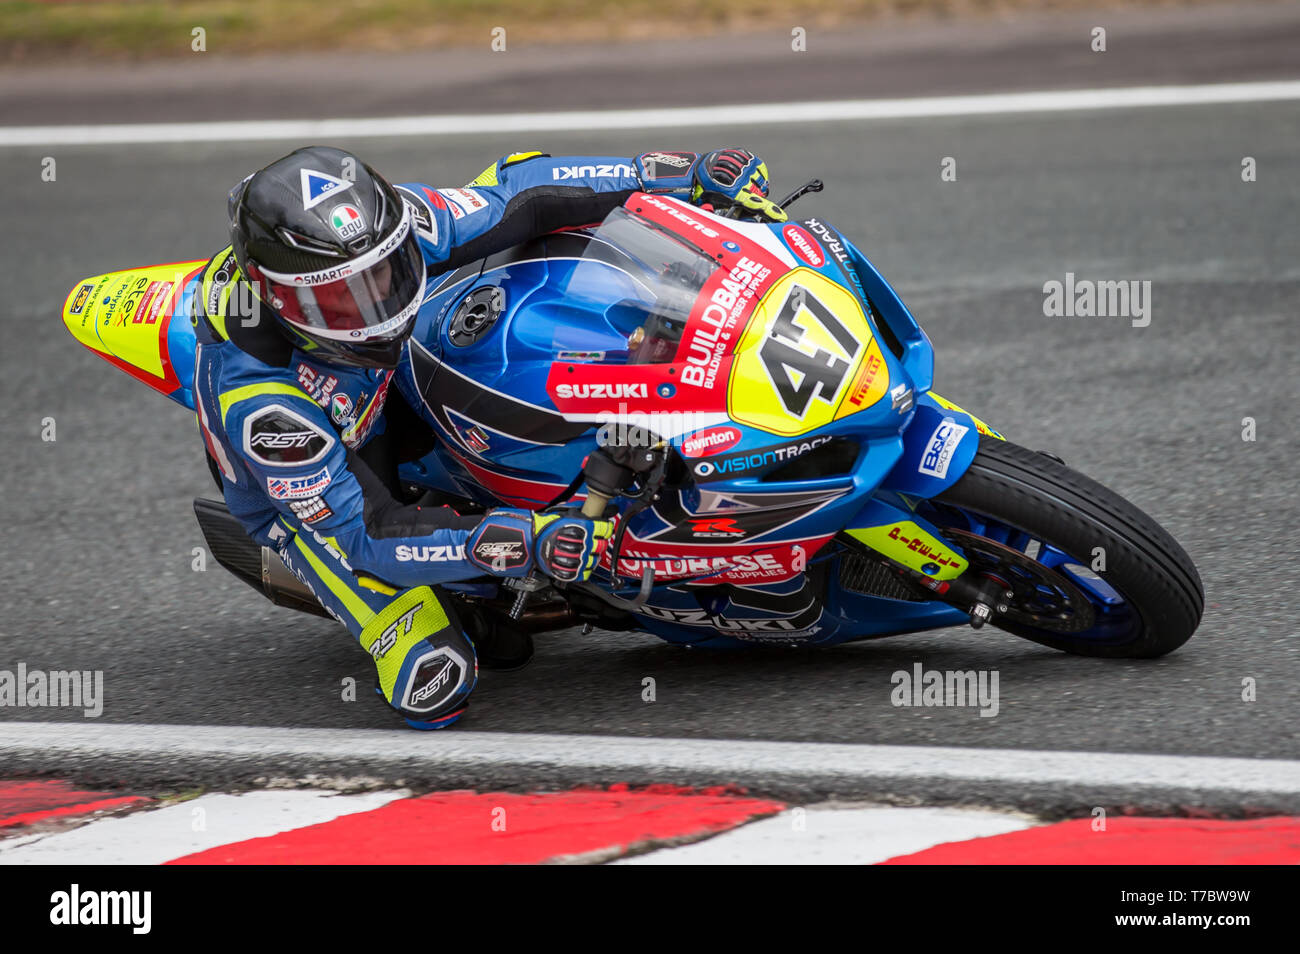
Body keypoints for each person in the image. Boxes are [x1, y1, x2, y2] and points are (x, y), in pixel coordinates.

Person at [190, 144, 785, 729]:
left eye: (386, 276)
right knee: (434, 682)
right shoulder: (265, 412)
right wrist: (526, 539)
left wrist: (671, 174)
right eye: (341, 300)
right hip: (327, 488)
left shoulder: (388, 229)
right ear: (276, 296)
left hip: (386, 380)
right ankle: (432, 608)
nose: (377, 306)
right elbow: (363, 532)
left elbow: (519, 193)